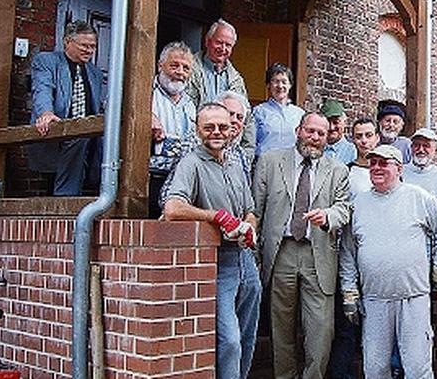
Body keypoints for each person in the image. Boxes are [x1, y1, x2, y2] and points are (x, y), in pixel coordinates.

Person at [339, 144, 437, 378]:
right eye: (373, 163)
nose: (376, 167)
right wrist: (349, 291)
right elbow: (347, 252)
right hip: (374, 299)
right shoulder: (359, 204)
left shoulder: (417, 197)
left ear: (399, 169)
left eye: (383, 163)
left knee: (417, 368)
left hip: (413, 297)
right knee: (374, 368)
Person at [163, 103, 261, 379]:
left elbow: (250, 210)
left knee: (247, 336)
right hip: (218, 262)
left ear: (231, 130)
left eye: (222, 127)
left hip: (245, 260)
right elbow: (172, 208)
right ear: (198, 130)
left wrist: (249, 226)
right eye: (209, 127)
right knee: (229, 340)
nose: (216, 132)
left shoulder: (235, 164)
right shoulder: (191, 163)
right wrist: (216, 216)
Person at [253, 112, 351, 379]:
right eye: (310, 131)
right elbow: (256, 210)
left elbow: (344, 208)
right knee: (281, 326)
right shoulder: (270, 162)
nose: (315, 137)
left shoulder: (338, 170)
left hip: (318, 252)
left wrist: (327, 216)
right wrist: (256, 254)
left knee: (321, 328)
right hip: (280, 252)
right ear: (298, 130)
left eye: (321, 133)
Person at [327, 116, 381, 379]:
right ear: (353, 139)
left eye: (368, 135)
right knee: (347, 326)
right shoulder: (346, 172)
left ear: (377, 137)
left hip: (380, 255)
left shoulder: (386, 171)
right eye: (359, 136)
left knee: (377, 327)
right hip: (350, 251)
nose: (364, 141)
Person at [29, 20, 105, 196]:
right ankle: (66, 199)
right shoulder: (47, 61)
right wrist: (46, 113)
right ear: (67, 42)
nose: (89, 50)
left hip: (89, 142)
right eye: (84, 45)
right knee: (77, 138)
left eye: (93, 46)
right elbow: (42, 89)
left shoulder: (95, 73)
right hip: (58, 137)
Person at [186, 19, 255, 157]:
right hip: (197, 149)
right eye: (219, 42)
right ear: (207, 41)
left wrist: (247, 155)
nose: (223, 48)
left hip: (229, 155)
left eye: (228, 45)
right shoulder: (189, 71)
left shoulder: (236, 80)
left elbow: (247, 120)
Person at [149, 41, 195, 218]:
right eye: (174, 66)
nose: (180, 72)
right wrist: (145, 117)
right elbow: (112, 108)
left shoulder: (190, 104)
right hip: (150, 179)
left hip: (180, 181)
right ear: (160, 65)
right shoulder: (145, 94)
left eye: (185, 68)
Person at [252, 63, 305, 157]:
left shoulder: (300, 114)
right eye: (275, 81)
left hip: (291, 163)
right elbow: (251, 143)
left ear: (290, 85)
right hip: (265, 163)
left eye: (284, 82)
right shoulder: (258, 112)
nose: (280, 86)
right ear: (269, 85)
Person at [402, 128, 437, 198]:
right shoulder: (400, 173)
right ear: (411, 148)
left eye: (426, 146)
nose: (421, 150)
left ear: (436, 150)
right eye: (417, 145)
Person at [376, 99, 412, 164]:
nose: (391, 125)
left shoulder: (406, 145)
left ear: (402, 125)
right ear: (380, 123)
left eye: (395, 122)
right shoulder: (373, 142)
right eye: (387, 121)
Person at [321, 99, 357, 164]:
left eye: (336, 122)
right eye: (327, 122)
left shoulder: (353, 151)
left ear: (345, 123)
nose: (331, 127)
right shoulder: (316, 148)